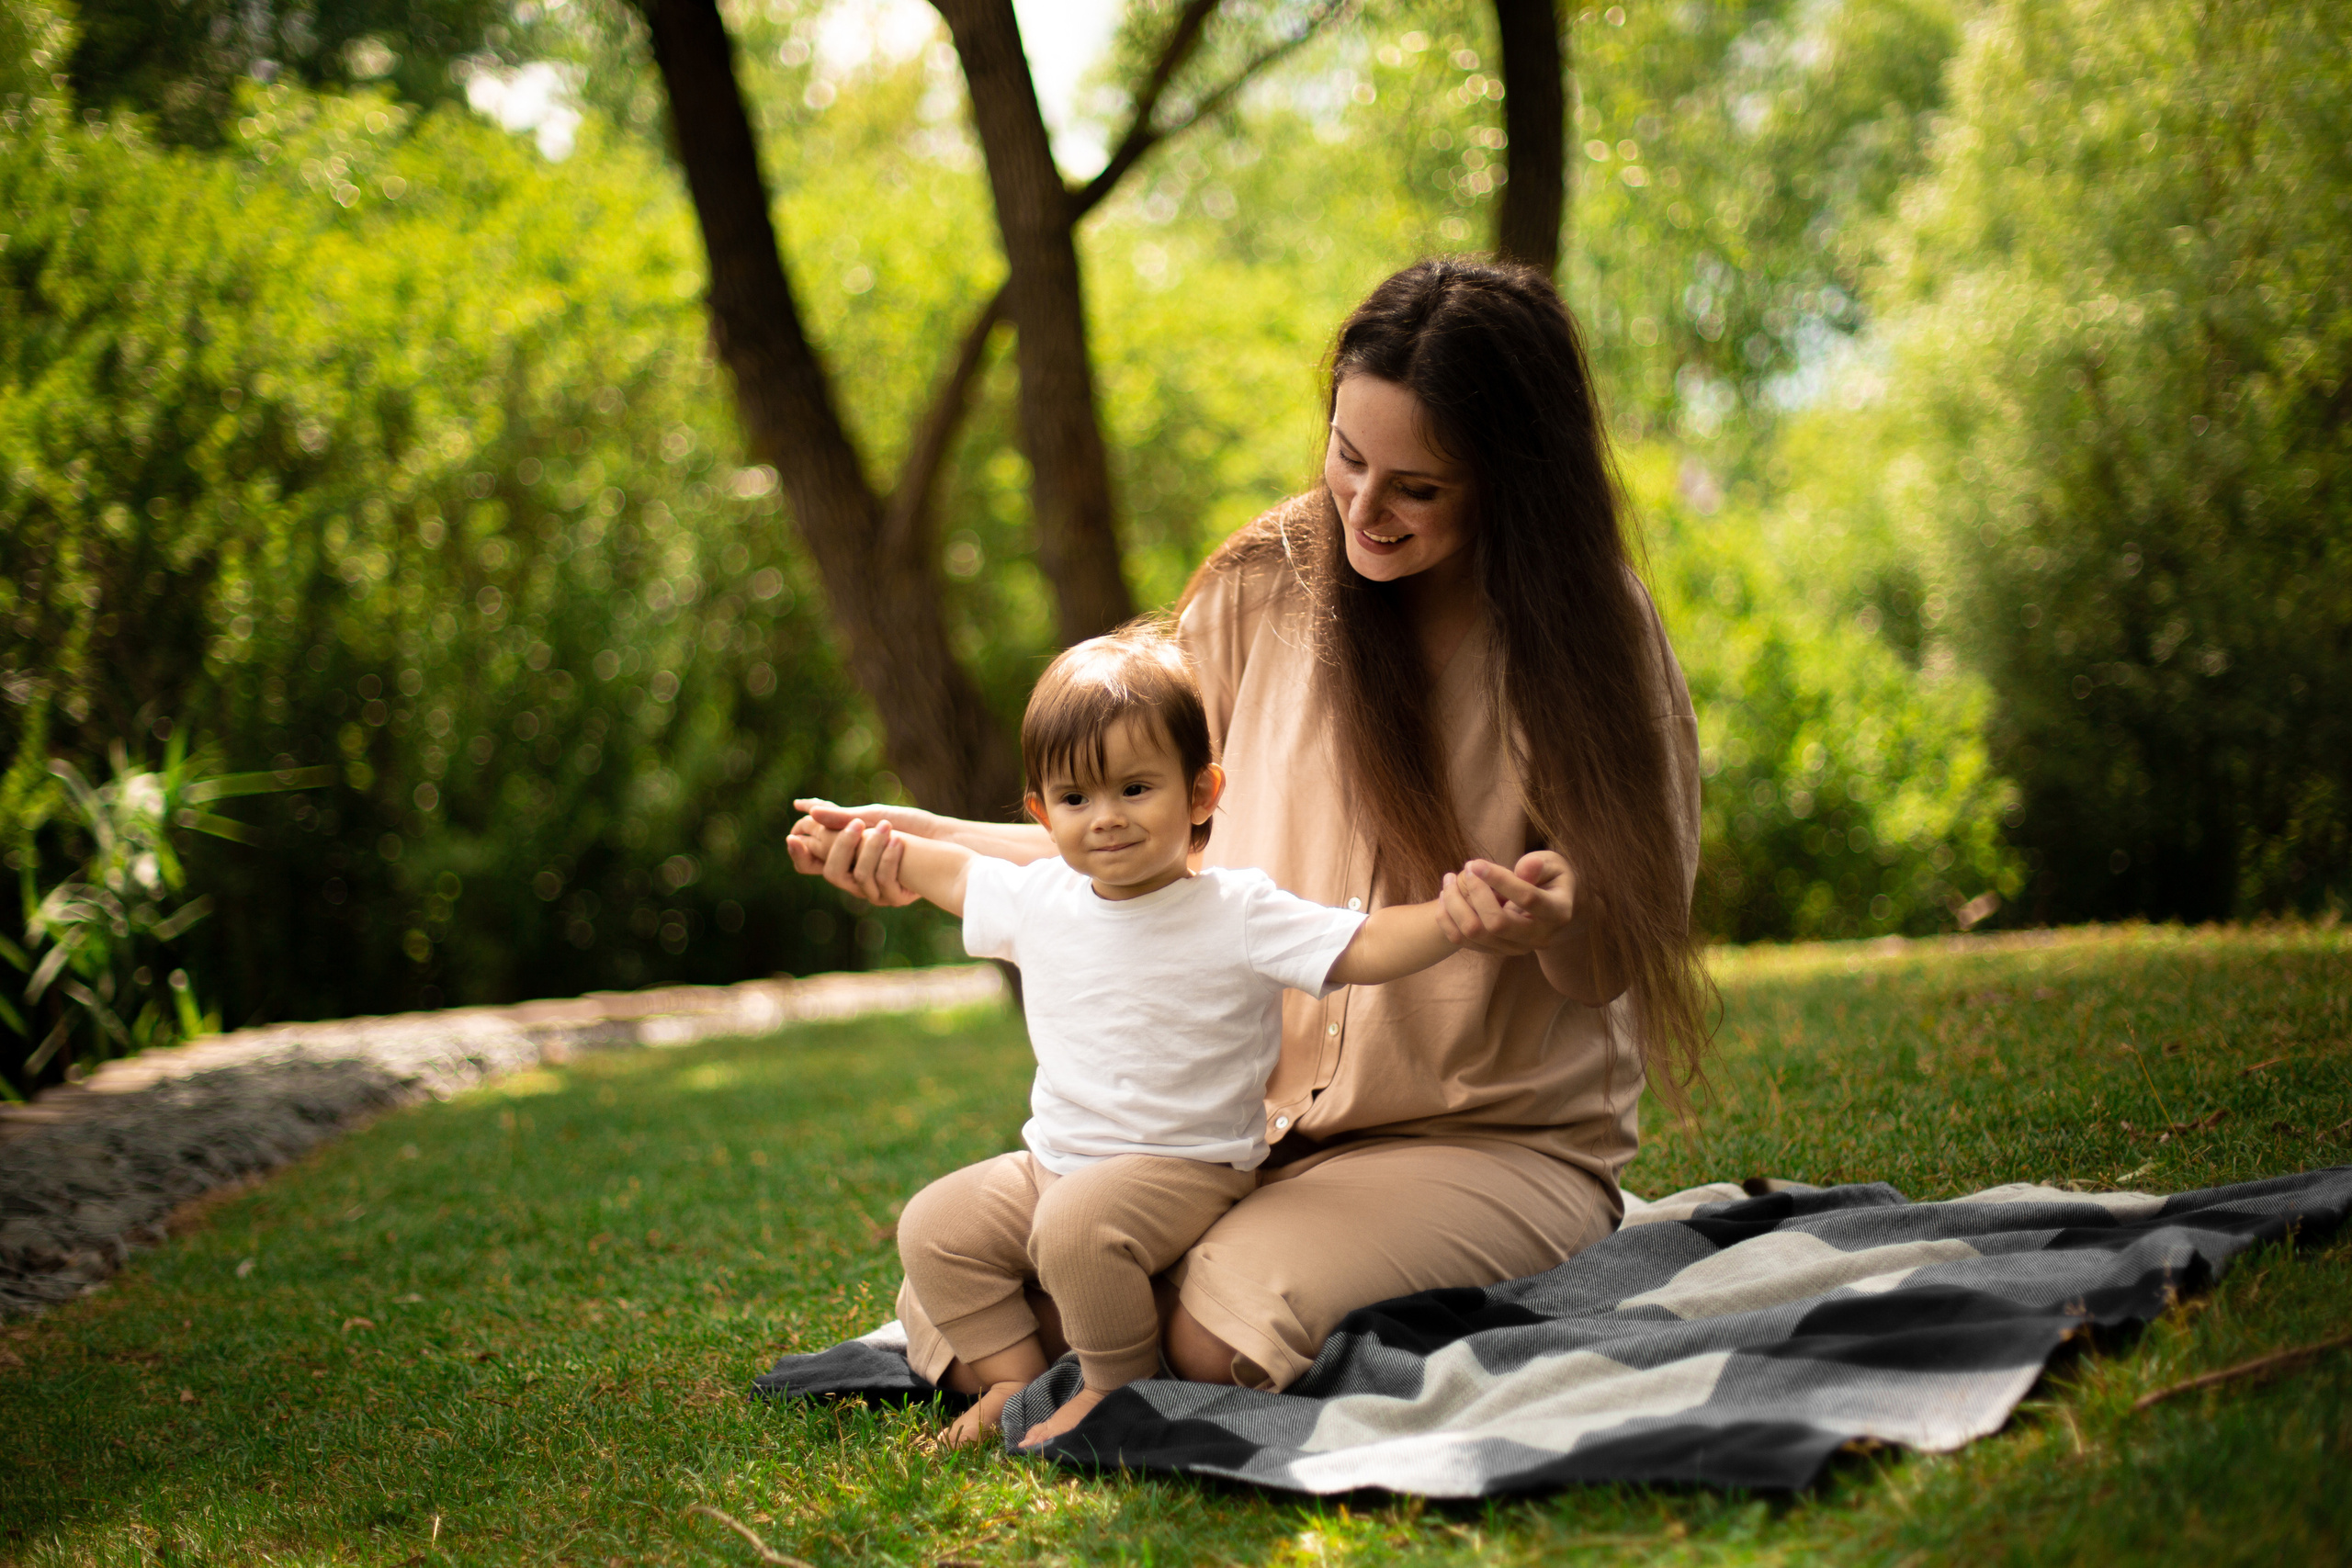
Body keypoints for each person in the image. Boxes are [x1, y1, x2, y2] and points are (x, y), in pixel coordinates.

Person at [790, 256, 1706, 1405]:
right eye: (1347, 457)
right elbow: (1131, 844)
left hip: (1483, 1146)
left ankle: (1150, 1354)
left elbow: (1612, 959)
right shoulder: (1264, 580)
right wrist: (933, 840)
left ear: (1511, 481)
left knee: (1207, 1331)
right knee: (979, 1274)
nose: (1362, 511)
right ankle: (1135, 1335)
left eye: (1416, 487)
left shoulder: (1590, 637)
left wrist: (1555, 917)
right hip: (1240, 1140)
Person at [788, 622, 1495, 1448]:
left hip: (1185, 1165)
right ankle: (1015, 1379)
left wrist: (1453, 919)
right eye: (1077, 799)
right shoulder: (1038, 895)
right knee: (933, 1224)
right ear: (1041, 814)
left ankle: (1117, 1387)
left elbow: (1363, 943)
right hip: (1053, 1160)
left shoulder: (1237, 910)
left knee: (1076, 1229)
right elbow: (931, 865)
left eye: (1135, 788)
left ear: (1200, 795)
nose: (1106, 819)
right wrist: (850, 841)